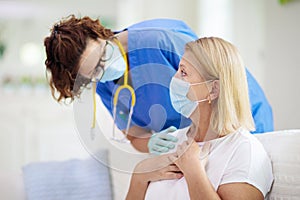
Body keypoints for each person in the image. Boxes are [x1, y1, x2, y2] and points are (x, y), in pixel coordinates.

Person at [44, 15, 273, 154]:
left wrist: (210, 141)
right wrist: (150, 142)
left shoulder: (158, 40)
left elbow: (219, 79)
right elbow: (133, 134)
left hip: (240, 116)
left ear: (100, 34)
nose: (105, 68)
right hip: (194, 145)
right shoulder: (105, 87)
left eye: (103, 55)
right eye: (95, 71)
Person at [125, 37, 273, 200]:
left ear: (213, 89)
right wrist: (139, 174)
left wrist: (193, 170)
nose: (174, 80)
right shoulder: (173, 140)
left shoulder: (245, 152)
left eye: (184, 72)